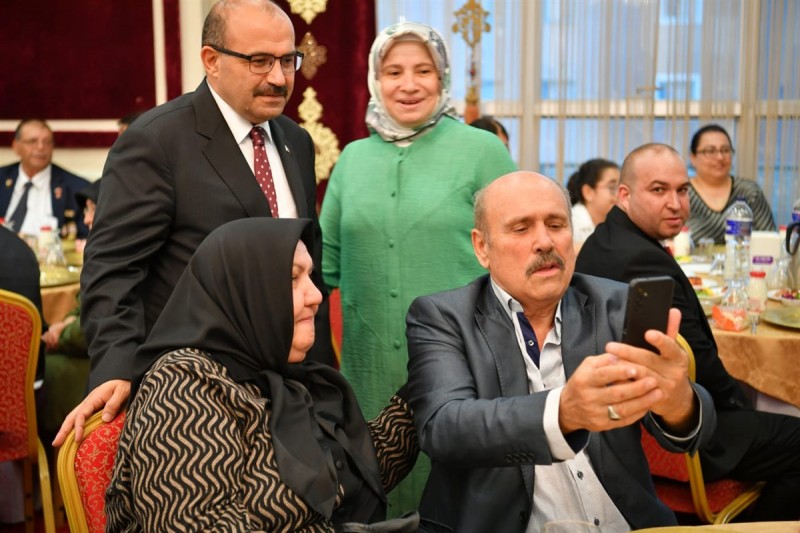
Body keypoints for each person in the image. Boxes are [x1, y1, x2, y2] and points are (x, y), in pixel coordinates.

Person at [53, 0, 335, 448]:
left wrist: (322, 381)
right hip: (198, 404)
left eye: (287, 60)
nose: (279, 78)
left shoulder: (295, 142)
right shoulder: (157, 142)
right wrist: (116, 368)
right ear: (211, 60)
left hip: (292, 395)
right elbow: (112, 271)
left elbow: (304, 267)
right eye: (260, 61)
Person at [405, 171, 716, 532]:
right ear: (482, 247)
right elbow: (445, 427)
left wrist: (678, 402)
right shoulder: (443, 317)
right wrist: (562, 412)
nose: (544, 242)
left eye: (556, 225)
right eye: (521, 228)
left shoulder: (615, 304)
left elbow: (698, 431)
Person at [105, 218, 419, 532]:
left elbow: (349, 471)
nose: (316, 296)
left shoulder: (275, 371)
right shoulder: (182, 387)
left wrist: (425, 384)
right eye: (293, 278)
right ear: (245, 289)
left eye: (310, 276)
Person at [319, 21, 516, 514]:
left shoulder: (483, 152)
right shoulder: (352, 159)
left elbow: (519, 255)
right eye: (393, 71)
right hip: (368, 371)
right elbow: (324, 267)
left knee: (459, 500)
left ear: (442, 76)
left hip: (462, 365)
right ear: (375, 79)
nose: (408, 84)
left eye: (423, 70)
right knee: (375, 492)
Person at [576, 143, 800, 520]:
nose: (676, 203)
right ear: (624, 195)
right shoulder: (641, 260)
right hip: (678, 433)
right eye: (658, 190)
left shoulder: (606, 238)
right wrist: (744, 407)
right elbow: (699, 366)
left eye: (682, 190)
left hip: (629, 424)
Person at [40, 180, 100, 439]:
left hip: (97, 364)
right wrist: (66, 322)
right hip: (86, 347)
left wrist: (60, 335)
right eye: (85, 210)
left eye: (92, 209)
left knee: (36, 366)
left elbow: (93, 328)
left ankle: (45, 448)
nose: (85, 219)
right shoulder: (101, 249)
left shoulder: (119, 255)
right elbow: (85, 305)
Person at [0, 119, 90, 238]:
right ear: (16, 146)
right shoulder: (2, 177)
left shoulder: (77, 189)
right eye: (32, 141)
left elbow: (86, 238)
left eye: (47, 142)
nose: (41, 147)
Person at [686, 124, 776, 244]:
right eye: (710, 151)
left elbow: (770, 239)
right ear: (693, 157)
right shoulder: (682, 192)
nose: (720, 157)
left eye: (725, 150)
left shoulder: (749, 191)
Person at [565, 157, 619, 251]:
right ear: (588, 192)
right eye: (612, 187)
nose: (619, 195)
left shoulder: (616, 221)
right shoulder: (570, 223)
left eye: (620, 188)